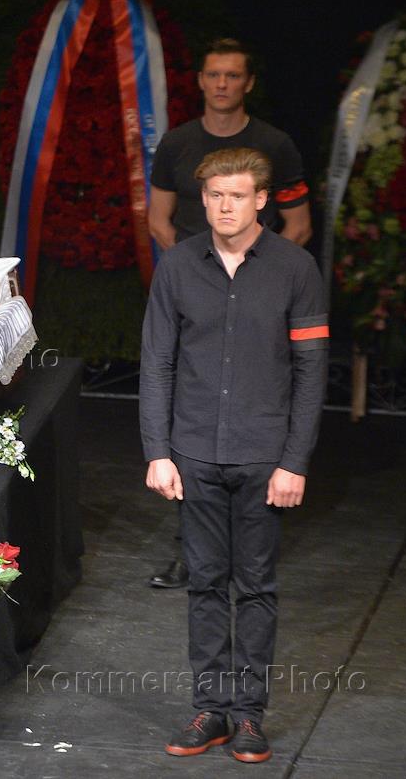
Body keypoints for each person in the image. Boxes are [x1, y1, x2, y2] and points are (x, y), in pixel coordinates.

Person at [140, 147, 327, 763]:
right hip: (193, 452)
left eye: (238, 195)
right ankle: (210, 709)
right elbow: (157, 362)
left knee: (255, 587)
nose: (225, 206)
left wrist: (295, 461)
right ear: (203, 200)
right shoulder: (177, 266)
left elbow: (311, 372)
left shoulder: (295, 269)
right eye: (216, 195)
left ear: (262, 200)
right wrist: (157, 452)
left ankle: (248, 715)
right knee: (203, 585)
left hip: (263, 456)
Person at [145, 38, 312, 590]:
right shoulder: (178, 143)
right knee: (192, 407)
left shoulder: (275, 145)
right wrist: (195, 274)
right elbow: (159, 218)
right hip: (195, 285)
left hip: (260, 291)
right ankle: (193, 553)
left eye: (232, 75)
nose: (222, 84)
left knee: (251, 405)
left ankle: (249, 557)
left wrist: (262, 273)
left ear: (248, 82)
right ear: (199, 80)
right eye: (213, 74)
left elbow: (299, 223)